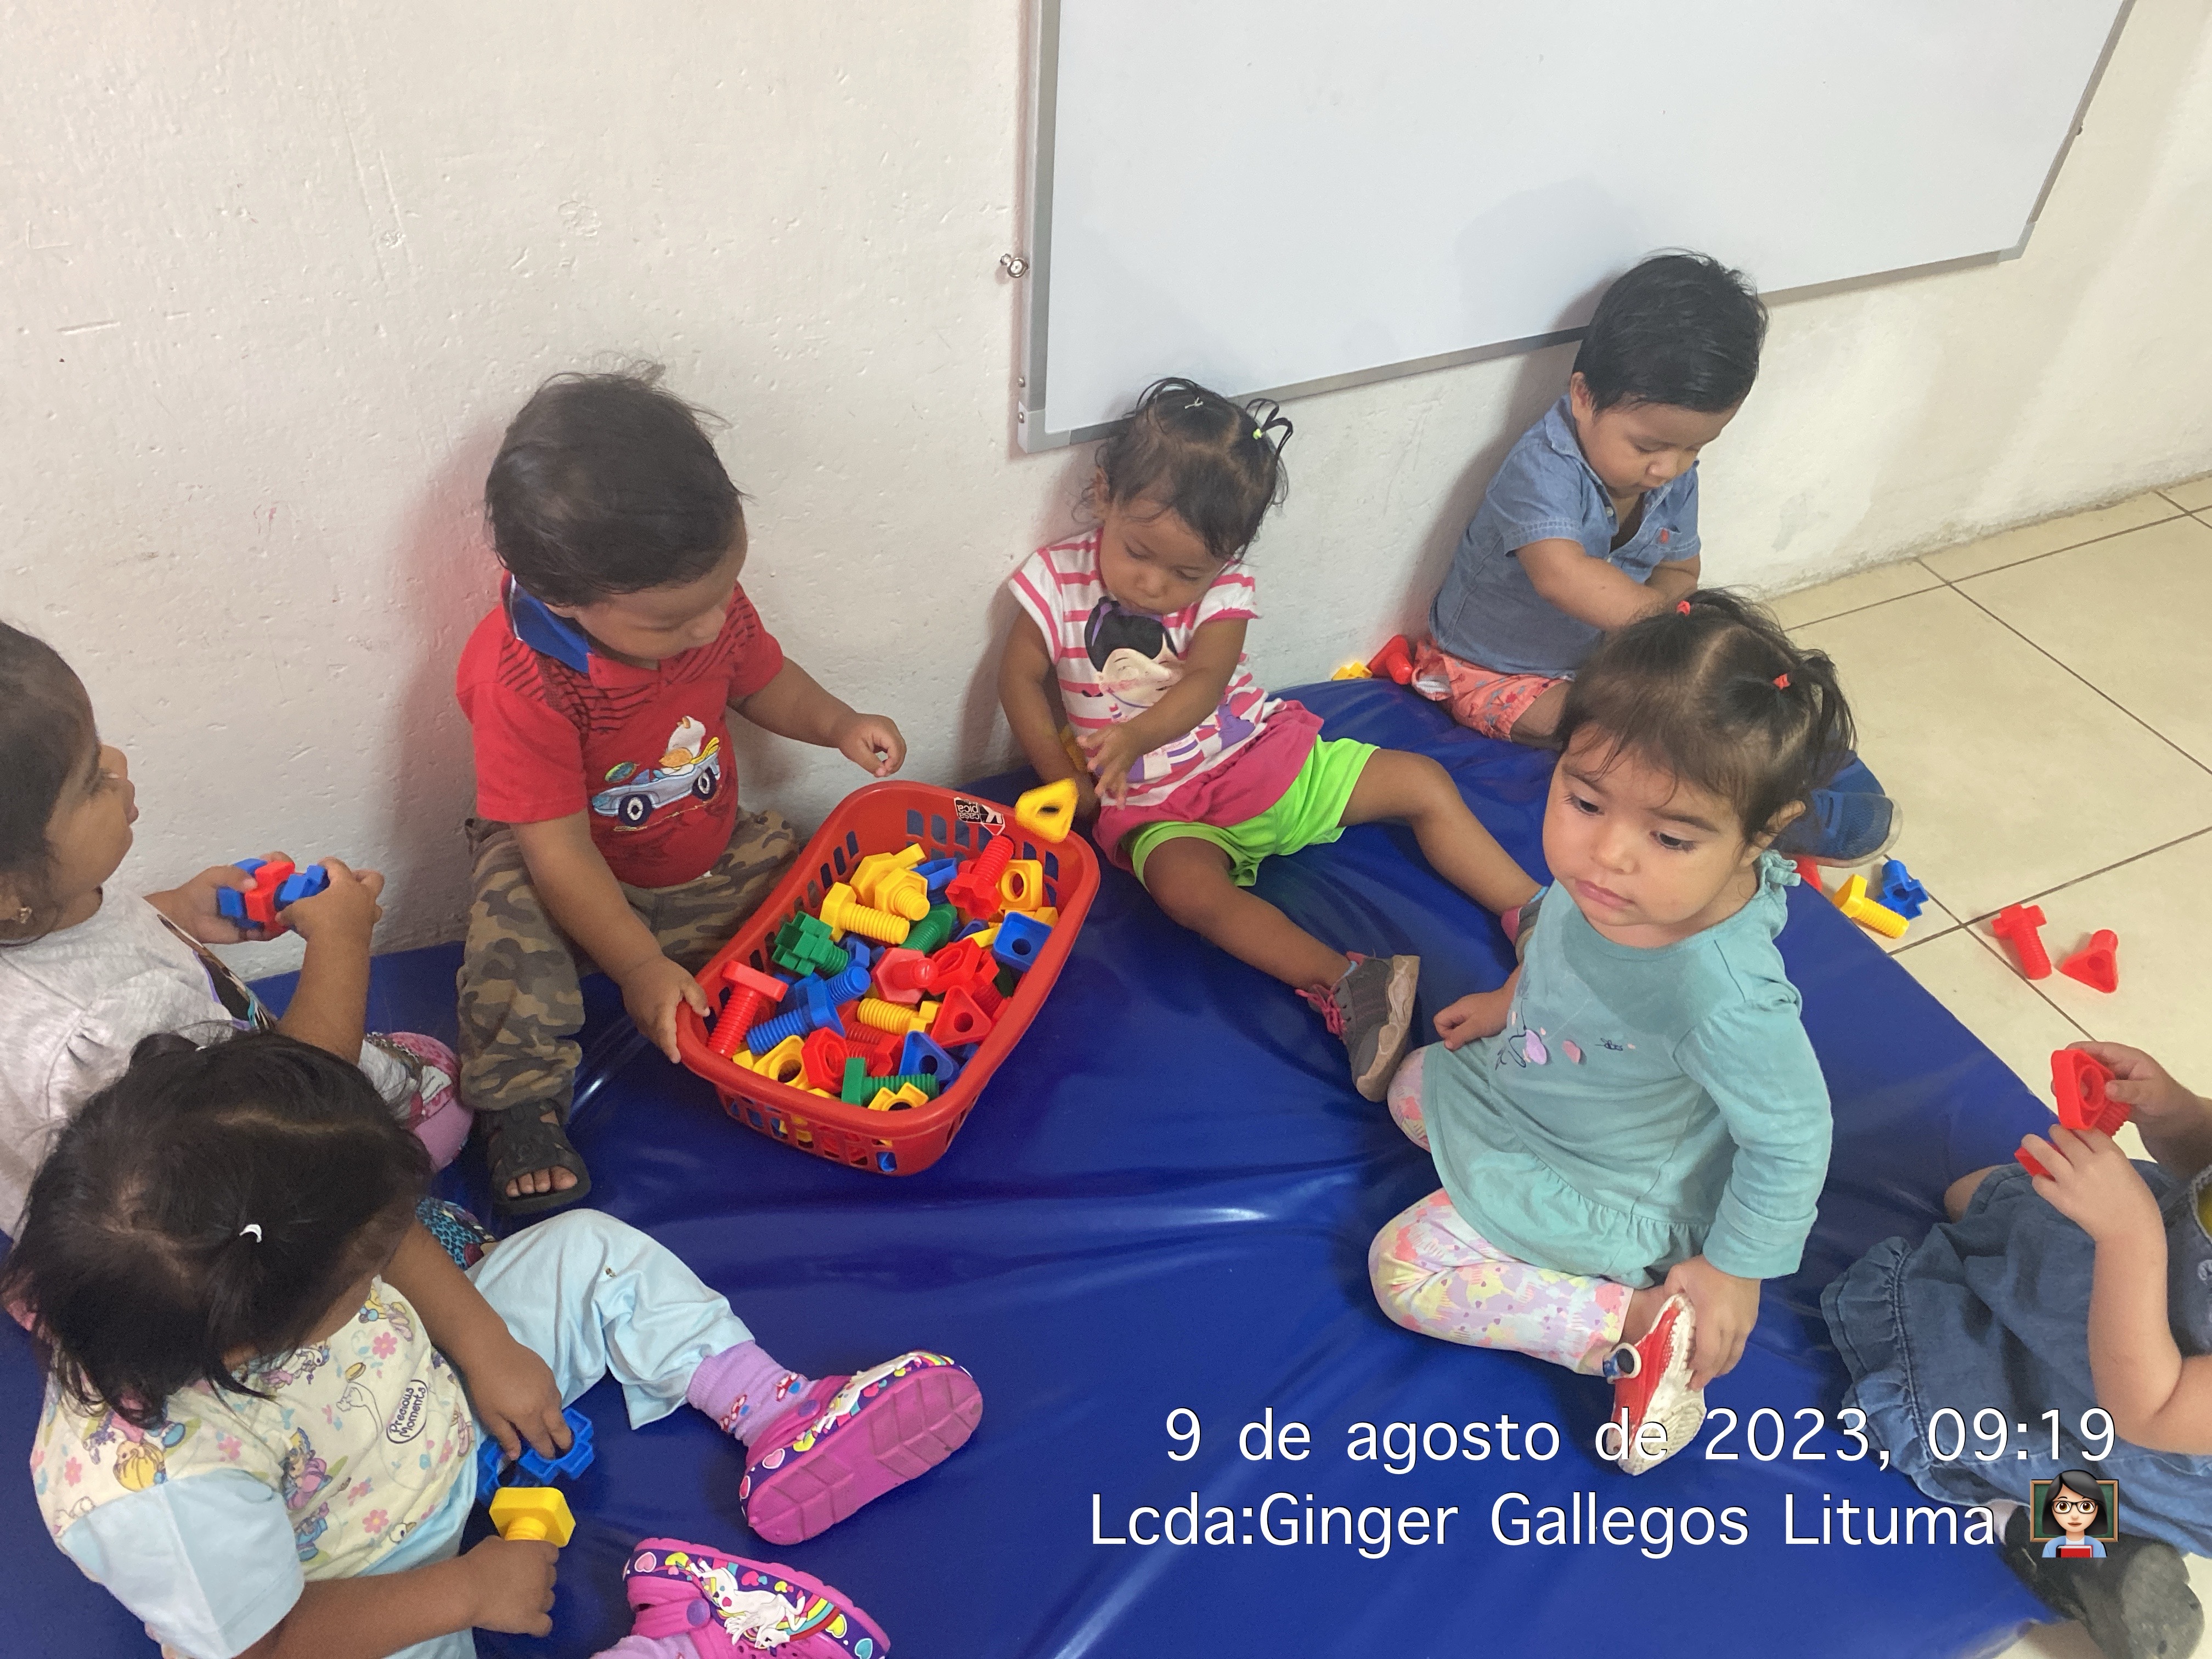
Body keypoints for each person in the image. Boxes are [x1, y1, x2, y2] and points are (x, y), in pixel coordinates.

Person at [9, 1034, 978, 1659]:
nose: (387, 1248)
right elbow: (266, 1641)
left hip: (428, 1406)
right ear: (261, 1333)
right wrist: (465, 1589)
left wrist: (485, 1345)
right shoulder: (160, 1491)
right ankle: (678, 1640)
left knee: (585, 1250)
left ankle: (777, 1407)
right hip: (353, 1581)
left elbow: (379, 1225)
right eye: (364, 1265)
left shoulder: (250, 1227)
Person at [1368, 591, 1838, 1472]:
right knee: (1414, 1083)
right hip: (1543, 1088)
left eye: (1670, 837)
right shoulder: (1613, 887)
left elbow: (1794, 1137)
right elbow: (1555, 933)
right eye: (1585, 802)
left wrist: (1735, 1270)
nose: (1608, 855)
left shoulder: (1723, 994)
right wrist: (1510, 1000)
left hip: (1611, 1183)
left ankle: (1641, 1322)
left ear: (1758, 838)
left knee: (1404, 1273)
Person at [998, 377, 1538, 1099]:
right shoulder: (1055, 581)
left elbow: (1205, 683)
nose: (1155, 585)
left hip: (1259, 758)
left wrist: (1136, 735)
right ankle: (1351, 984)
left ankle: (1533, 910)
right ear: (1104, 495)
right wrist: (1062, 781)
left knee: (1422, 783)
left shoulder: (1225, 589)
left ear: (1225, 557)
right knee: (1185, 892)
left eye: (1186, 573)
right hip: (1159, 808)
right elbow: (1019, 677)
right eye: (1138, 553)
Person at [458, 366, 907, 1211]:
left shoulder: (702, 600)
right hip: (576, 881)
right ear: (562, 597)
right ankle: (520, 1103)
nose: (709, 627)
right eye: (671, 622)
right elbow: (557, 851)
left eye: (721, 594)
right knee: (507, 926)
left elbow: (763, 680)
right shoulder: (524, 679)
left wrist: (839, 722)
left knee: (813, 893)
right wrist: (635, 963)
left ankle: (809, 1015)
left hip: (707, 856)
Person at [1415, 251, 1895, 863]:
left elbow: (1679, 570)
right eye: (1648, 446)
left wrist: (1683, 644)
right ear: (1583, 396)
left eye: (1695, 448)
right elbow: (1562, 576)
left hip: (1609, 653)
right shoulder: (1543, 468)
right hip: (1496, 672)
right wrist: (1674, 636)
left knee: (1710, 690)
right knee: (1636, 737)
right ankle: (1753, 805)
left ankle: (1782, 752)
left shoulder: (1670, 471)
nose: (1669, 467)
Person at [0, 622, 465, 1232]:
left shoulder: (42, 907)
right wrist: (341, 942)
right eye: (91, 782)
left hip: (68, 1223)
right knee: (436, 1116)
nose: (118, 763)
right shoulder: (118, 1026)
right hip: (236, 1195)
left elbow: (75, 957)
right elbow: (294, 1105)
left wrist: (176, 912)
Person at [1826, 1042, 2212, 1658]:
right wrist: (2180, 1116)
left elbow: (2151, 1408)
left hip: (2143, 1417)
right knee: (1977, 1195)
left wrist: (2128, 1233)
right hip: (2150, 1276)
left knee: (1964, 1412)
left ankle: (2074, 1537)